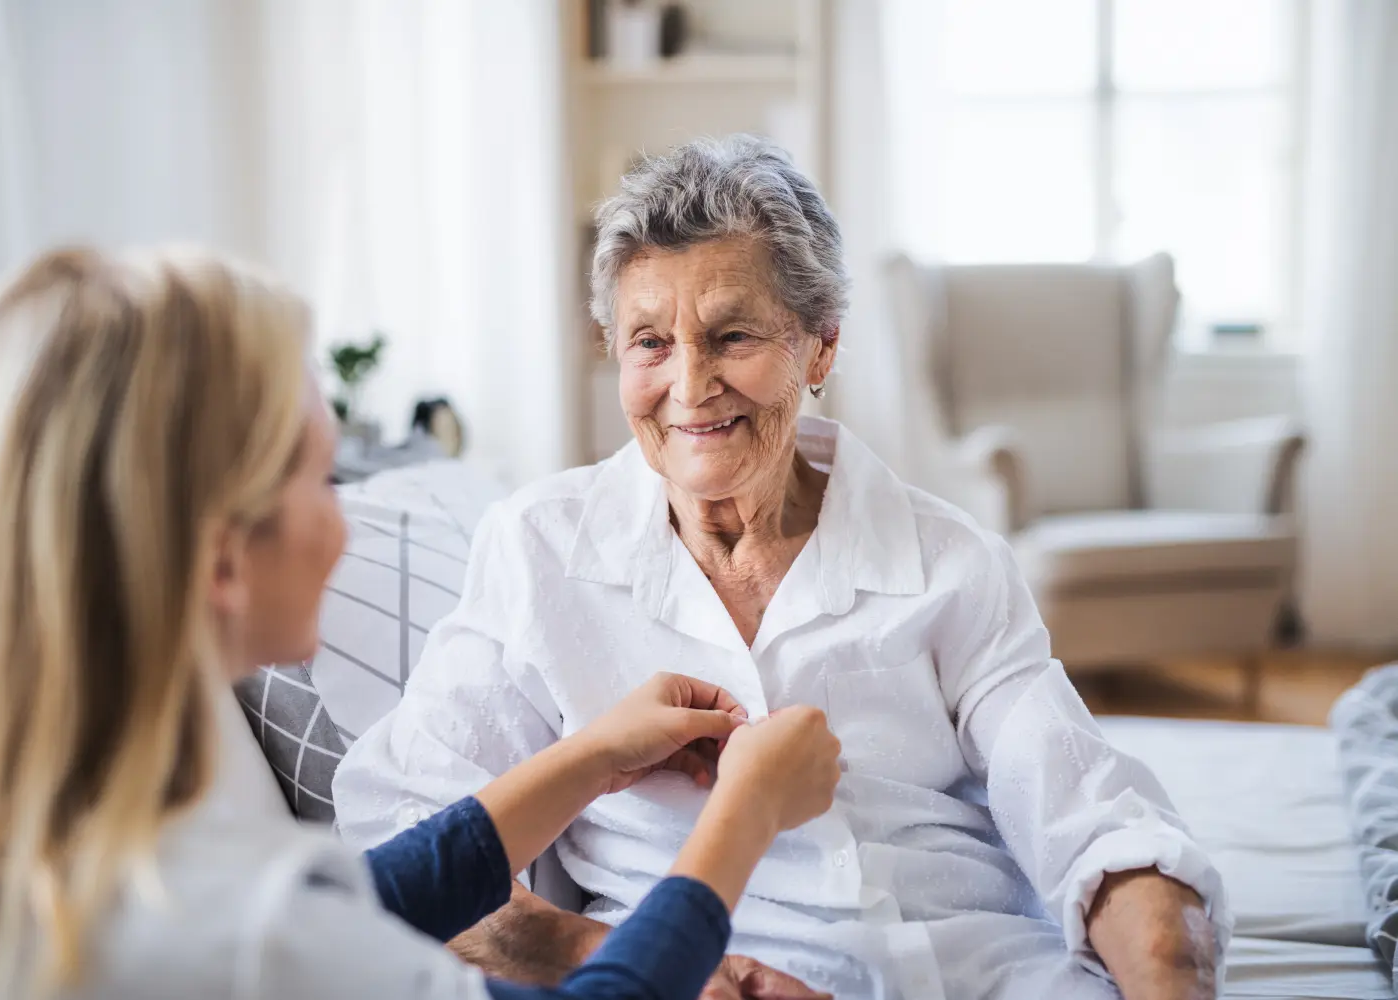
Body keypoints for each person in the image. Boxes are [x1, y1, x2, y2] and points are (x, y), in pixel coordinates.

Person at [333, 136, 1230, 1000]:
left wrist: (1162, 960)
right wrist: (603, 955)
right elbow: (404, 829)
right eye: (650, 342)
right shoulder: (538, 549)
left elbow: (1092, 819)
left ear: (821, 347)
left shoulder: (949, 561)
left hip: (975, 970)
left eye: (732, 337)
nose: (689, 385)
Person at [0, 246, 845, 1000]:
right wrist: (743, 815)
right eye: (321, 476)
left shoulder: (42, 861)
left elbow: (372, 898)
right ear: (224, 558)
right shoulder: (253, 937)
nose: (346, 517)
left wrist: (590, 757)